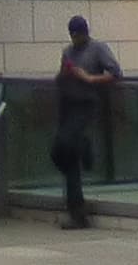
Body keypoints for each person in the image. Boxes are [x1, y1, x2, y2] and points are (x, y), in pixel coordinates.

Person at [50, 16, 120, 228]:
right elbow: (59, 80)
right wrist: (64, 74)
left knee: (68, 145)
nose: (75, 39)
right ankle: (78, 212)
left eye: (78, 34)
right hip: (67, 104)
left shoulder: (98, 49)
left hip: (86, 104)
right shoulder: (68, 52)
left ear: (85, 33)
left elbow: (116, 73)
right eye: (72, 35)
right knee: (60, 153)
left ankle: (77, 211)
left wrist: (89, 78)